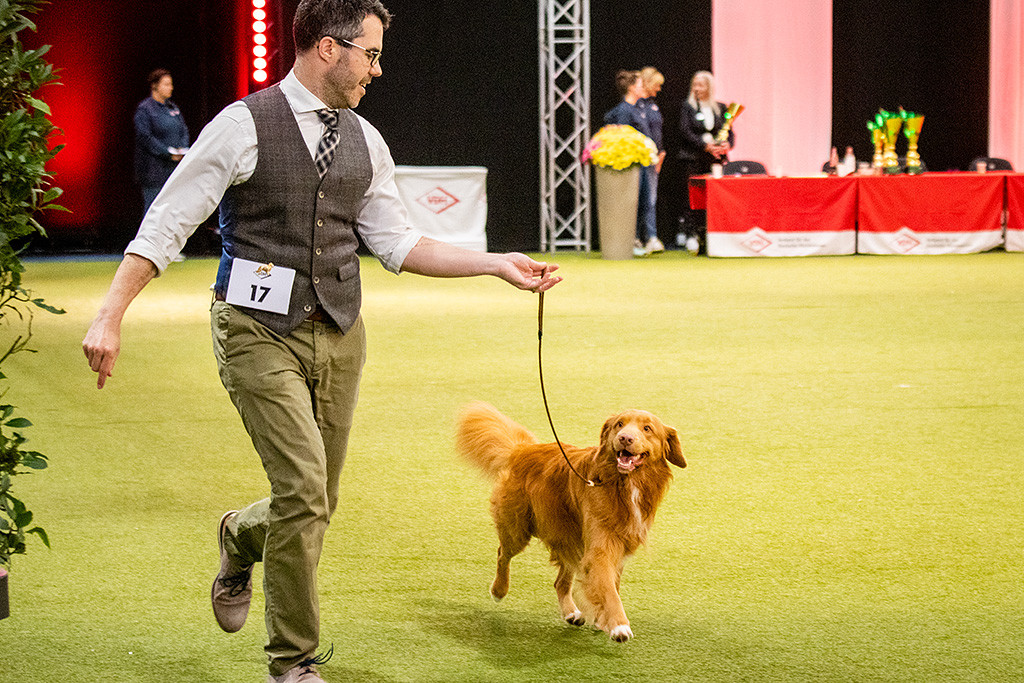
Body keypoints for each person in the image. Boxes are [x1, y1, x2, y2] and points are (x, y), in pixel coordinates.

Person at [82, 1, 561, 681]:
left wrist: (494, 262)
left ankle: (239, 533)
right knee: (305, 490)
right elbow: (167, 221)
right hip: (253, 330)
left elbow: (398, 242)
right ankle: (293, 663)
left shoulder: (367, 140)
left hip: (338, 333)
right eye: (370, 53)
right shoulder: (242, 126)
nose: (377, 69)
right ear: (328, 49)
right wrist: (110, 313)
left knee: (314, 501)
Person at [603, 69, 664, 256]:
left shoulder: (639, 108)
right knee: (634, 202)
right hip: (633, 164)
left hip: (645, 161)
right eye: (638, 84)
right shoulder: (623, 110)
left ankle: (641, 238)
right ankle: (631, 240)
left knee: (646, 200)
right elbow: (623, 138)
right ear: (631, 88)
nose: (642, 87)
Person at [677, 70, 733, 253]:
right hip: (693, 158)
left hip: (715, 160)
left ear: (709, 87)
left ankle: (716, 232)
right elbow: (685, 131)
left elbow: (729, 132)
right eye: (695, 85)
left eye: (701, 85)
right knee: (692, 196)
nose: (697, 88)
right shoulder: (688, 107)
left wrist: (725, 145)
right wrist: (705, 145)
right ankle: (690, 233)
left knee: (716, 195)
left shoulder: (722, 108)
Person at [134, 68, 190, 213]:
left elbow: (184, 130)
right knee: (154, 212)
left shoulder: (173, 107)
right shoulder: (145, 109)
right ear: (155, 86)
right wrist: (167, 153)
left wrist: (182, 150)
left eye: (171, 84)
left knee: (173, 213)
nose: (170, 88)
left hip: (173, 170)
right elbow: (145, 137)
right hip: (154, 173)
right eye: (166, 84)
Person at [637, 67, 666, 251]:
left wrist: (661, 153)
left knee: (651, 200)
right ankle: (639, 237)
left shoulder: (653, 105)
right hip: (641, 160)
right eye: (657, 84)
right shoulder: (635, 106)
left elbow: (657, 132)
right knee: (642, 200)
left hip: (655, 159)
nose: (659, 89)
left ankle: (651, 236)